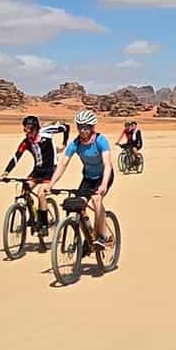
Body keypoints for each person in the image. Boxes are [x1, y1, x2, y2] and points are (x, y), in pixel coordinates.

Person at [49, 108, 115, 254]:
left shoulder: (100, 141)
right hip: (88, 177)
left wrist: (104, 184)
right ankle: (89, 236)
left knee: (96, 200)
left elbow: (107, 165)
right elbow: (63, 164)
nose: (83, 130)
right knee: (79, 205)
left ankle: (101, 236)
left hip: (104, 176)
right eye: (80, 127)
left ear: (92, 127)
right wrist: (51, 184)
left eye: (86, 127)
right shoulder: (75, 144)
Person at [1, 114, 65, 234]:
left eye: (30, 130)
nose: (28, 133)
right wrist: (6, 172)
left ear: (36, 129)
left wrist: (64, 144)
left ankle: (44, 225)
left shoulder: (46, 133)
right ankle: (32, 215)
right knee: (25, 189)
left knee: (41, 193)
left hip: (50, 170)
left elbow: (65, 127)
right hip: (37, 171)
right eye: (25, 129)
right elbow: (16, 156)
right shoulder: (26, 142)